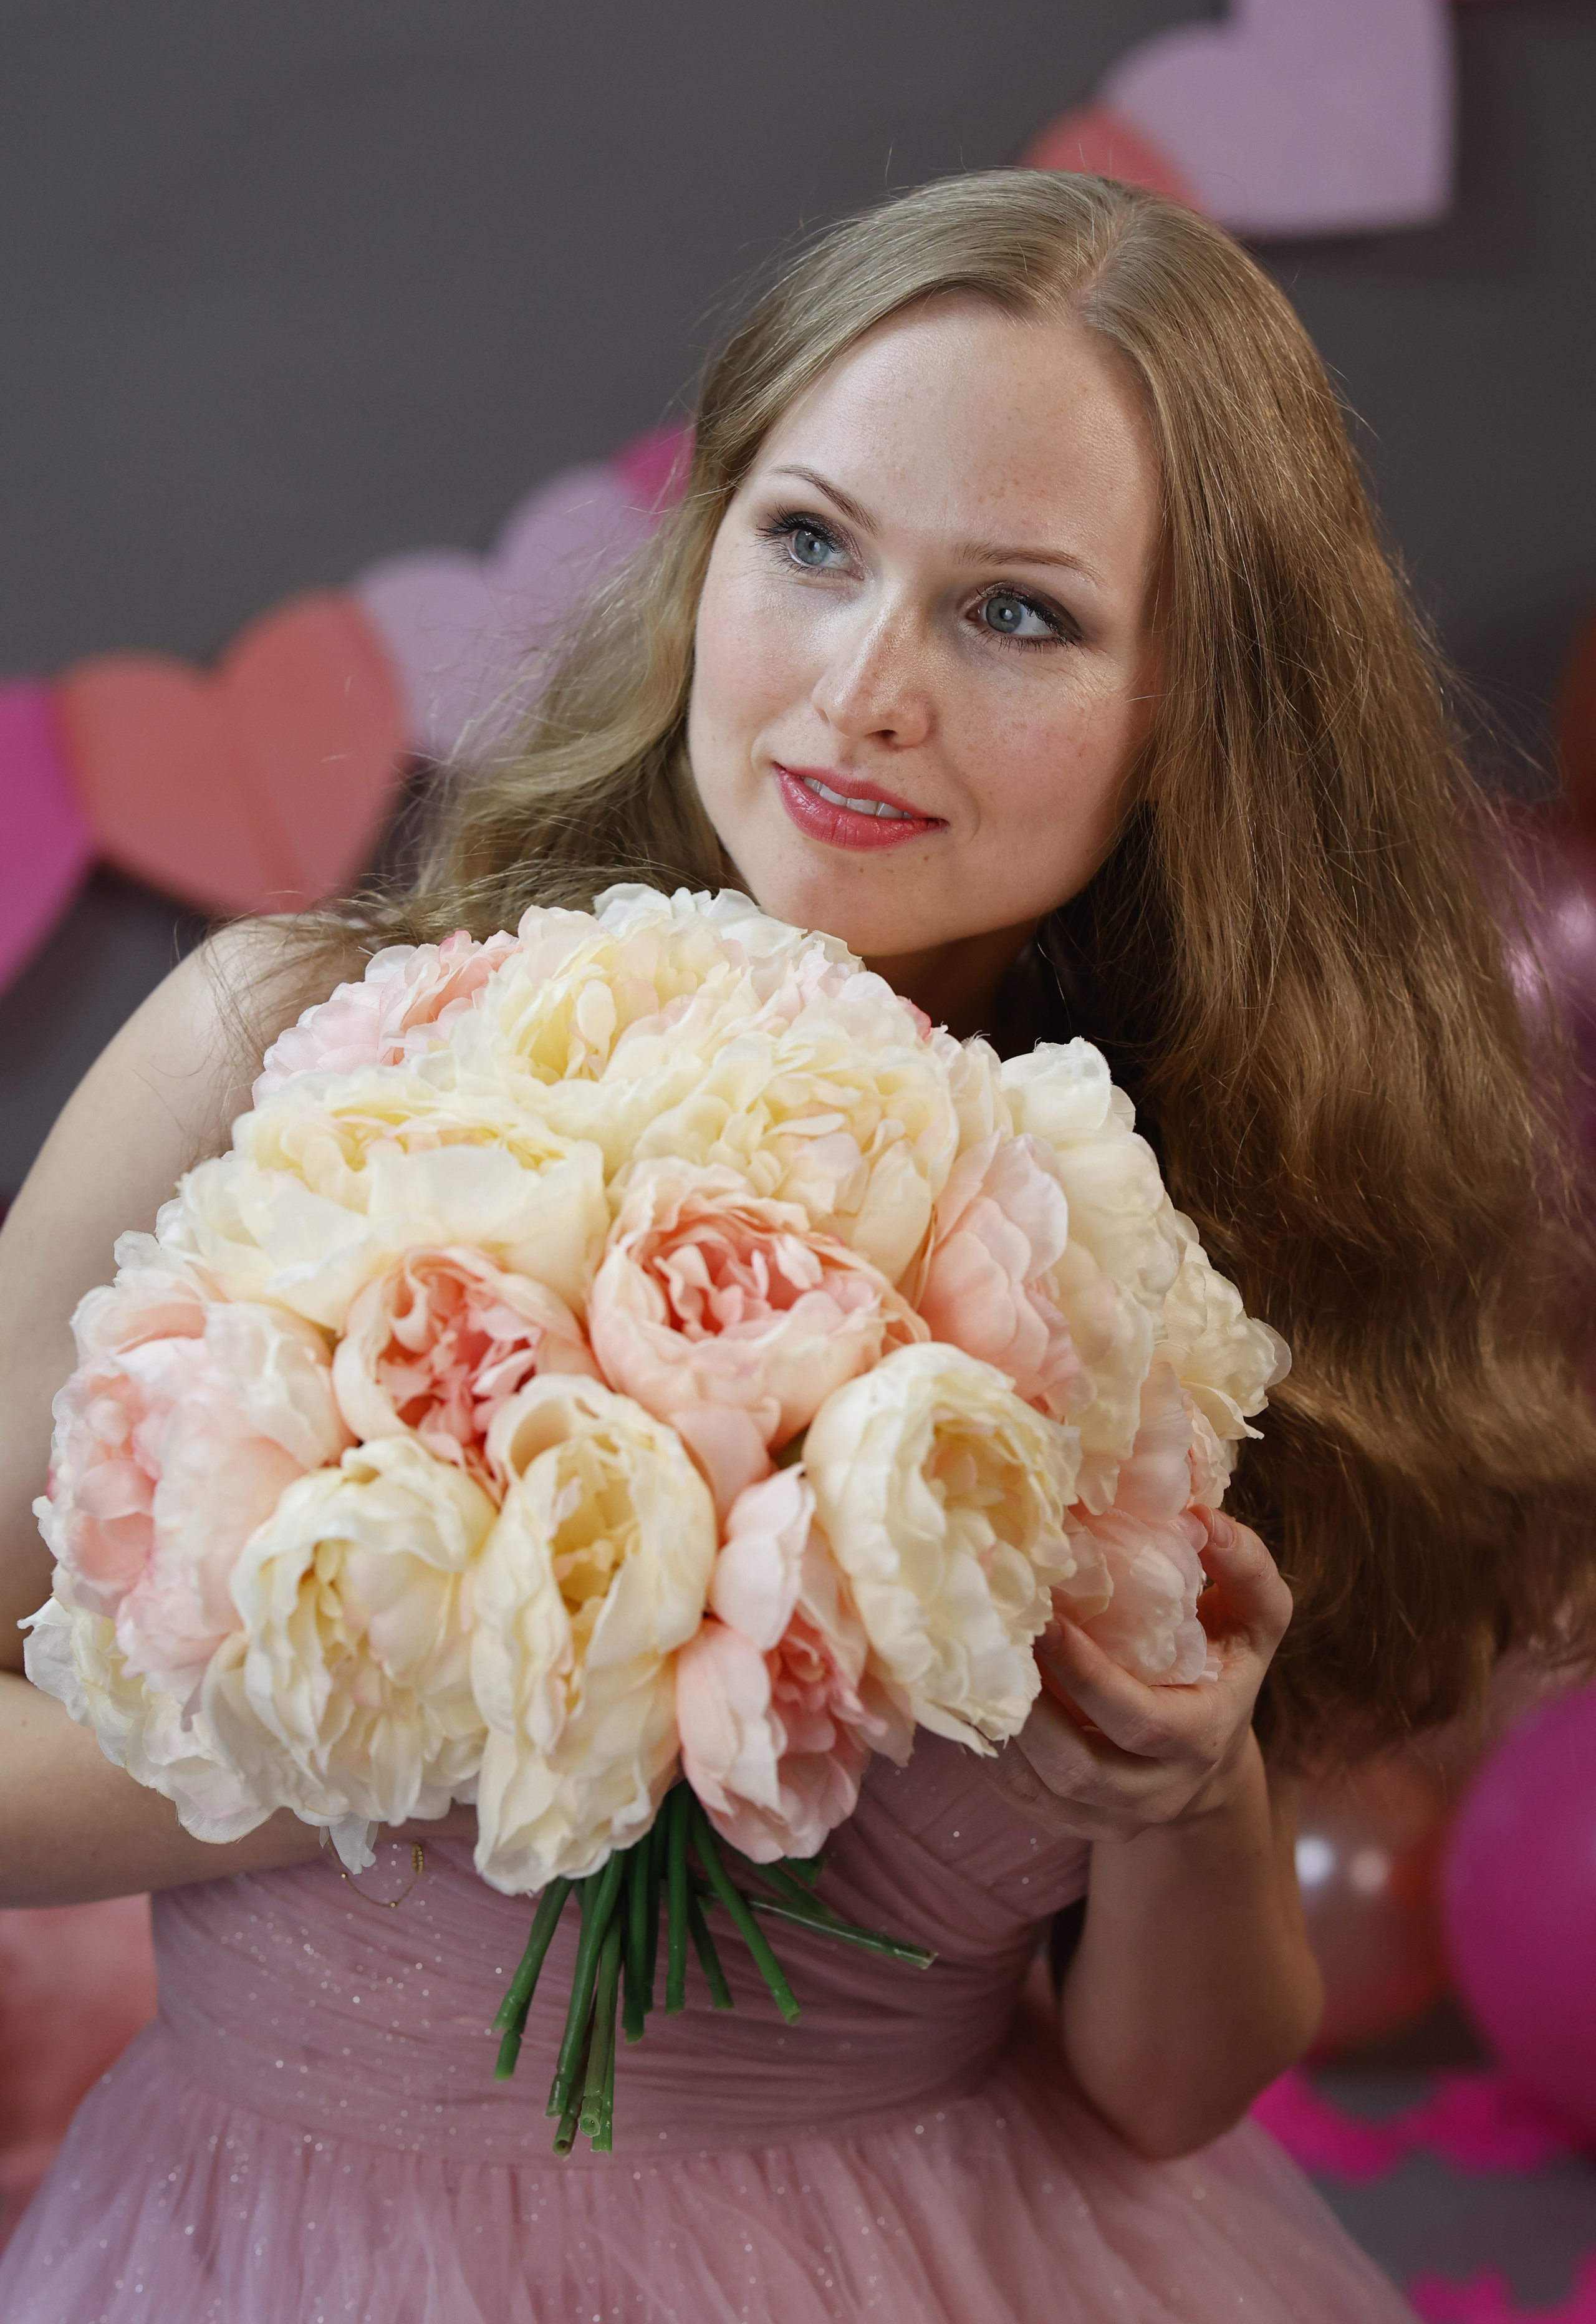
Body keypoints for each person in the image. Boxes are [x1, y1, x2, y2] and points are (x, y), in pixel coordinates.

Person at [1, 168, 1592, 2323]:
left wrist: (1189, 1788)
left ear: (1189, 716)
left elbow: (1167, 2091)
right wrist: (425, 1687)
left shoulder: (1164, 1260)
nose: (861, 690)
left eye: (1016, 613)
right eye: (813, 543)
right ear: (705, 547)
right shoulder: (274, 1049)